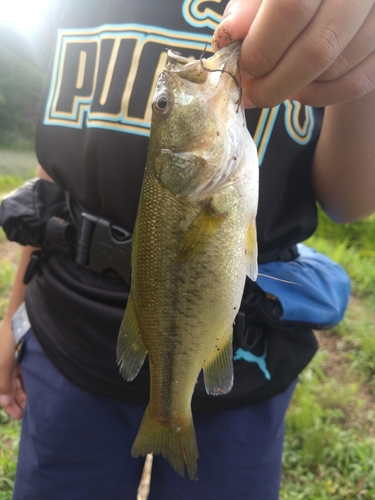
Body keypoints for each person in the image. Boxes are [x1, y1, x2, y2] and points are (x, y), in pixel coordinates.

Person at [0, 0, 374, 498]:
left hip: (246, 362)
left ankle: (169, 411)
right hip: (64, 336)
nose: (182, 85)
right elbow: (57, 180)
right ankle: (167, 410)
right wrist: (12, 317)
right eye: (166, 106)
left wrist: (362, 65)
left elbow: (349, 201)